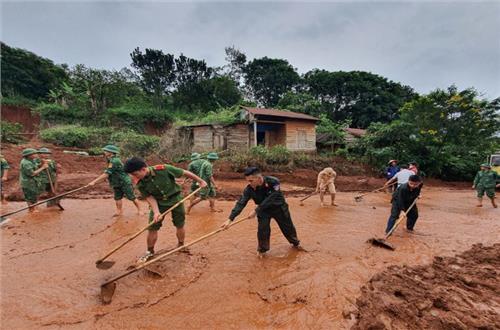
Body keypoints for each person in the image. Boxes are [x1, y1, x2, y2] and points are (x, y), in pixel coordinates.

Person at [124, 157, 207, 262]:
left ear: (143, 169)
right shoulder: (140, 183)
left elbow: (184, 172)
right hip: (158, 203)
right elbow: (149, 197)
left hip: (176, 200)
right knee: (152, 227)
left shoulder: (163, 169)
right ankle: (150, 251)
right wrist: (156, 212)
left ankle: (181, 245)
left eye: (135, 174)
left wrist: (200, 181)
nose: (134, 177)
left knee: (179, 224)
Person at [221, 167, 301, 256]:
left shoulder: (274, 182)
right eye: (248, 181)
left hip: (279, 208)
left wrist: (256, 210)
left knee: (287, 227)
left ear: (259, 178)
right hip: (263, 211)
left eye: (251, 181)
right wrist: (230, 219)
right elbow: (241, 203)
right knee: (262, 229)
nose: (249, 183)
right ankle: (262, 250)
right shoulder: (249, 189)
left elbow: (271, 198)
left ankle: (295, 243)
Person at [88, 145, 141, 217]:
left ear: (111, 152)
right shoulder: (109, 160)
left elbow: (106, 174)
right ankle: (119, 212)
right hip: (116, 182)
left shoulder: (114, 161)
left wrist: (94, 182)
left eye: (106, 151)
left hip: (124, 182)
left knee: (131, 197)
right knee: (117, 197)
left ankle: (140, 210)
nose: (104, 152)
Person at [19, 148, 47, 212]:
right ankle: (31, 209)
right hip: (28, 182)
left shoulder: (32, 160)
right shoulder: (26, 163)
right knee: (29, 196)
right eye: (34, 154)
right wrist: (43, 167)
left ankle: (34, 207)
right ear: (29, 155)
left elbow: (35, 167)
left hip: (33, 181)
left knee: (35, 194)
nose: (36, 155)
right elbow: (32, 174)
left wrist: (41, 164)